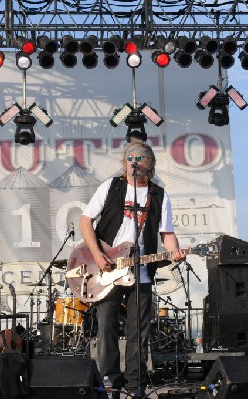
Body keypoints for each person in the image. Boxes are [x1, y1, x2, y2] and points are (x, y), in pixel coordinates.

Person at [79, 140, 185, 398]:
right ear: (124, 163)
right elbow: (85, 221)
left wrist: (175, 251)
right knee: (107, 327)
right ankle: (110, 382)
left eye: (139, 158)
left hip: (140, 270)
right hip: (107, 269)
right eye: (130, 157)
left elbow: (167, 232)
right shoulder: (112, 187)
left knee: (139, 330)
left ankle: (136, 384)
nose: (133, 161)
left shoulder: (159, 195)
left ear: (149, 165)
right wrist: (98, 255)